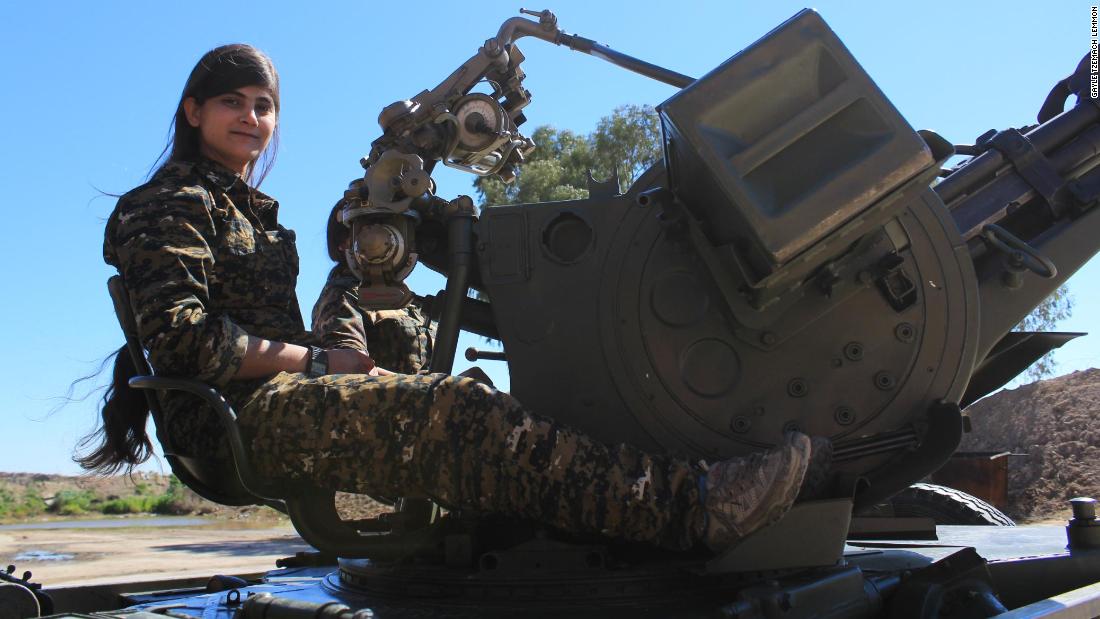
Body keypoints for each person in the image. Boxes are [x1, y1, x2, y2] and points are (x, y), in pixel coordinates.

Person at [80, 43, 828, 552]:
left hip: (276, 395)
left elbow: (298, 317)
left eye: (263, 105)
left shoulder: (251, 211)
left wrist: (364, 235)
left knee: (442, 367)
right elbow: (184, 342)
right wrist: (320, 364)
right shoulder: (166, 203)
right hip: (237, 422)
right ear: (192, 112)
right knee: (452, 411)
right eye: (233, 103)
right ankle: (693, 508)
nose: (251, 117)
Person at [311, 201, 435, 375]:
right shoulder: (341, 296)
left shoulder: (407, 300)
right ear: (343, 244)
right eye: (366, 232)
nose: (379, 240)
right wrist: (438, 385)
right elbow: (351, 369)